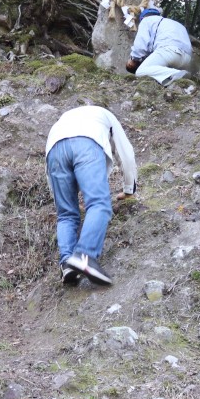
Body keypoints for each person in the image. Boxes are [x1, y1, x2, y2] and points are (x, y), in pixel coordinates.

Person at [45, 105, 137, 286]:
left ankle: (67, 263)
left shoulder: (64, 118)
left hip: (54, 148)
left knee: (66, 214)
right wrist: (129, 189)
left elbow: (52, 180)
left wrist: (61, 200)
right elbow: (126, 155)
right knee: (99, 204)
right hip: (86, 142)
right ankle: (85, 255)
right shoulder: (107, 116)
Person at [125, 6, 192, 86]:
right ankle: (173, 79)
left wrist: (134, 58)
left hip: (169, 51)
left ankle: (177, 73)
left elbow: (140, 45)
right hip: (187, 58)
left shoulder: (146, 20)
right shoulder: (177, 24)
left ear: (143, 17)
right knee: (159, 72)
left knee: (141, 71)